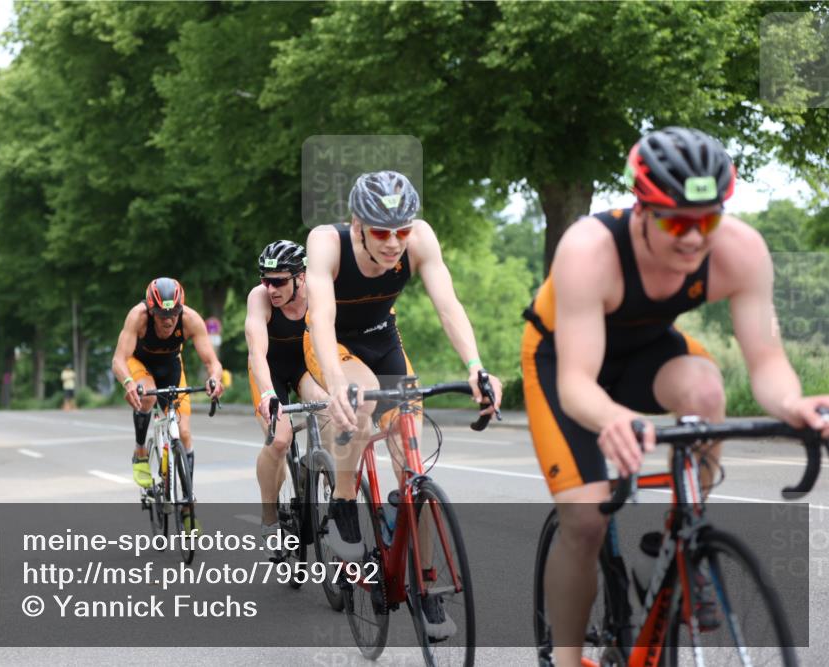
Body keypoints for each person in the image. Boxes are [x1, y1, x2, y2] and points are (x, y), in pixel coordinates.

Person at [521, 126, 829, 667]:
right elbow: (577, 384)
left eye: (707, 221)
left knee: (706, 389)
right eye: (676, 221)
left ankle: (678, 540)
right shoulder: (589, 249)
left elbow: (767, 361)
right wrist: (614, 418)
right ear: (641, 210)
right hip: (563, 359)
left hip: (646, 350)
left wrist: (793, 405)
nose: (693, 238)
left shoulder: (740, 251)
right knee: (586, 521)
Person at [305, 170, 501, 638]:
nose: (394, 243)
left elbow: (448, 305)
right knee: (360, 397)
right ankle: (344, 503)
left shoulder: (420, 238)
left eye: (402, 231)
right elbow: (323, 317)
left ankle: (426, 586)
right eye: (381, 233)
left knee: (413, 469)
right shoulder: (326, 243)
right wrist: (336, 382)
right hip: (332, 345)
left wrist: (476, 367)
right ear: (357, 225)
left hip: (383, 341)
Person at [111, 277, 224, 518]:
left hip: (171, 367)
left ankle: (187, 506)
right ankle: (140, 451)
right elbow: (118, 360)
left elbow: (212, 362)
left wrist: (214, 379)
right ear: (152, 311)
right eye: (162, 314)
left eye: (173, 313)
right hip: (139, 364)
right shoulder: (138, 317)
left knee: (184, 433)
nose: (169, 320)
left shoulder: (190, 319)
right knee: (147, 395)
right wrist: (128, 383)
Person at [245, 240, 327, 557]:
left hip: (305, 366)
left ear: (300, 277)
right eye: (266, 280)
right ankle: (269, 519)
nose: (271, 288)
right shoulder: (260, 298)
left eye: (279, 281)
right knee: (280, 439)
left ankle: (320, 471)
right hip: (269, 371)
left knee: (329, 409)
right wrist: (268, 394)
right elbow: (257, 352)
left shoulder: (318, 293)